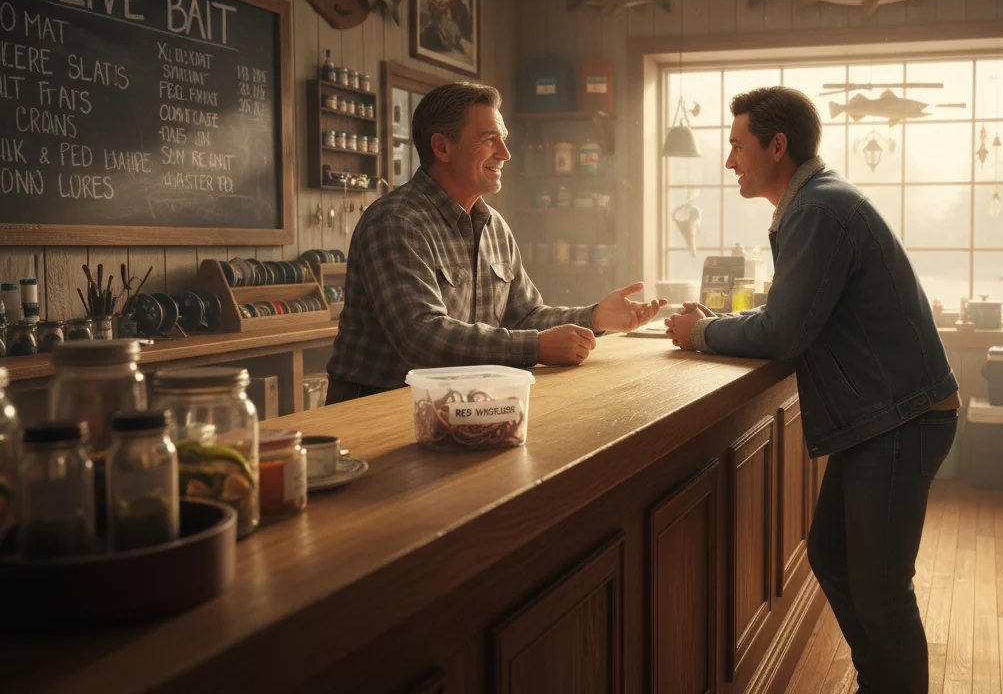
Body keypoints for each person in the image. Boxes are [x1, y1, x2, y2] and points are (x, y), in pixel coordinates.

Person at [666, 86, 960, 693]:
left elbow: (785, 329)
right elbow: (793, 316)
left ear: (778, 146)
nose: (729, 162)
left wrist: (699, 332)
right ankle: (878, 680)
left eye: (736, 146)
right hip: (883, 415)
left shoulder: (819, 210)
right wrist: (713, 328)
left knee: (880, 590)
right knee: (833, 557)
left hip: (900, 418)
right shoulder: (814, 205)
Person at [327, 82, 665, 404]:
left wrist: (593, 317)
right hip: (373, 407)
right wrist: (535, 347)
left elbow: (523, 315)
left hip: (455, 404)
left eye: (503, 139)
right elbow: (422, 338)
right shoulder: (395, 223)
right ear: (442, 147)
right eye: (490, 139)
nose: (505, 153)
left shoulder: (493, 225)